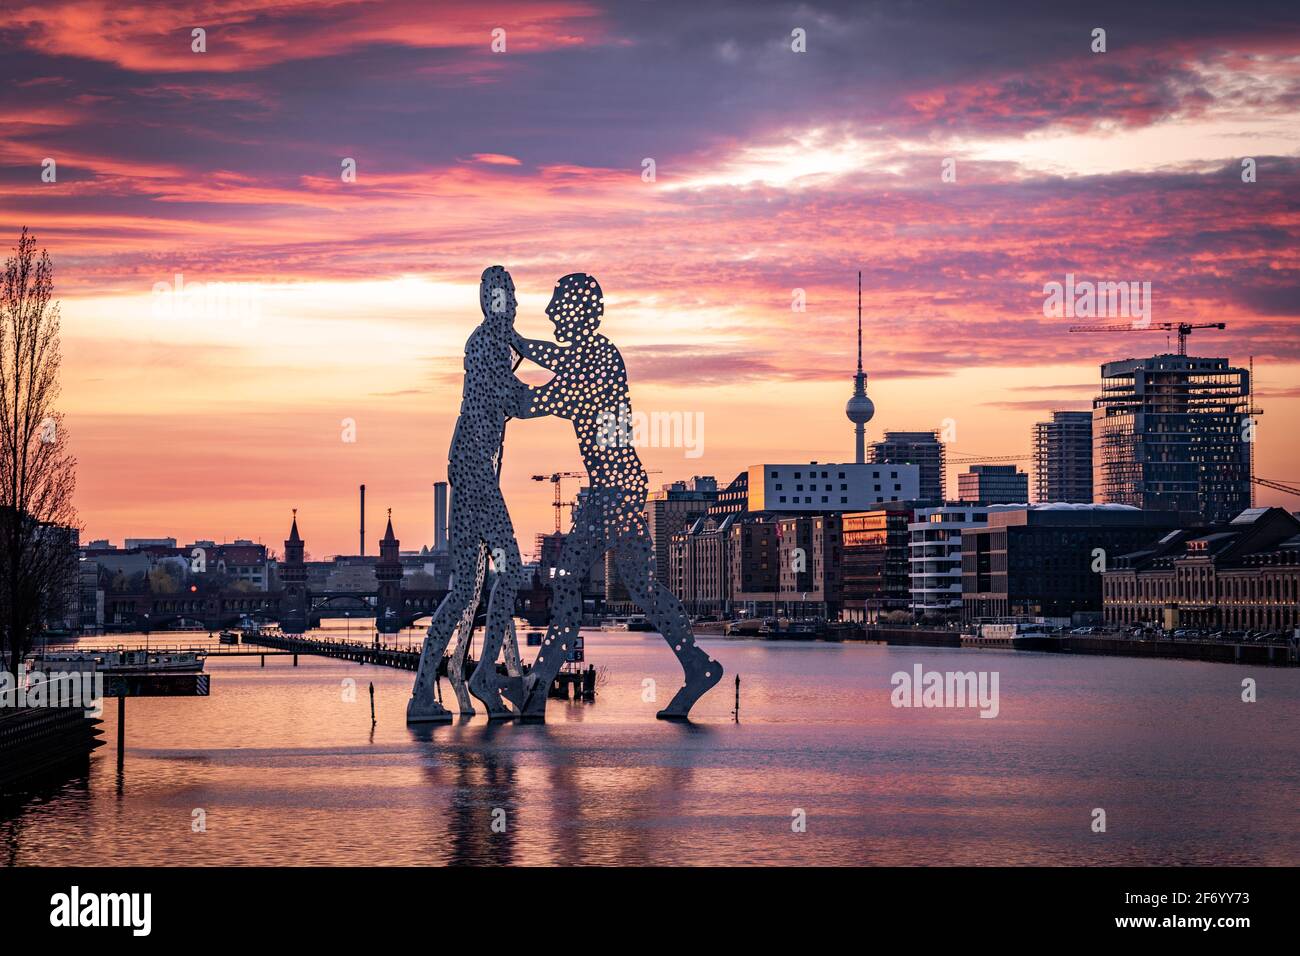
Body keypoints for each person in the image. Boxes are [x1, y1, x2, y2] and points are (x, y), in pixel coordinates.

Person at [508, 273, 722, 719]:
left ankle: (536, 688)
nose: (549, 313)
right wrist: (517, 341)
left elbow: (536, 401)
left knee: (566, 579)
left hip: (613, 494)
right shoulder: (593, 354)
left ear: (580, 312)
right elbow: (555, 357)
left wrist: (499, 382)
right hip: (619, 489)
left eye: (556, 305)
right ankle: (695, 664)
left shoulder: (598, 359)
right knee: (641, 587)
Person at [407, 266, 527, 722]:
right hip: (475, 475)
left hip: (470, 473)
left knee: (467, 593)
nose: (510, 304)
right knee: (511, 571)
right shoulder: (485, 345)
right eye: (501, 297)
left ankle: (426, 694)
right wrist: (570, 394)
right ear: (485, 302)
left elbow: (524, 360)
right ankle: (486, 678)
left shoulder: (496, 342)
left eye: (513, 296)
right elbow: (517, 399)